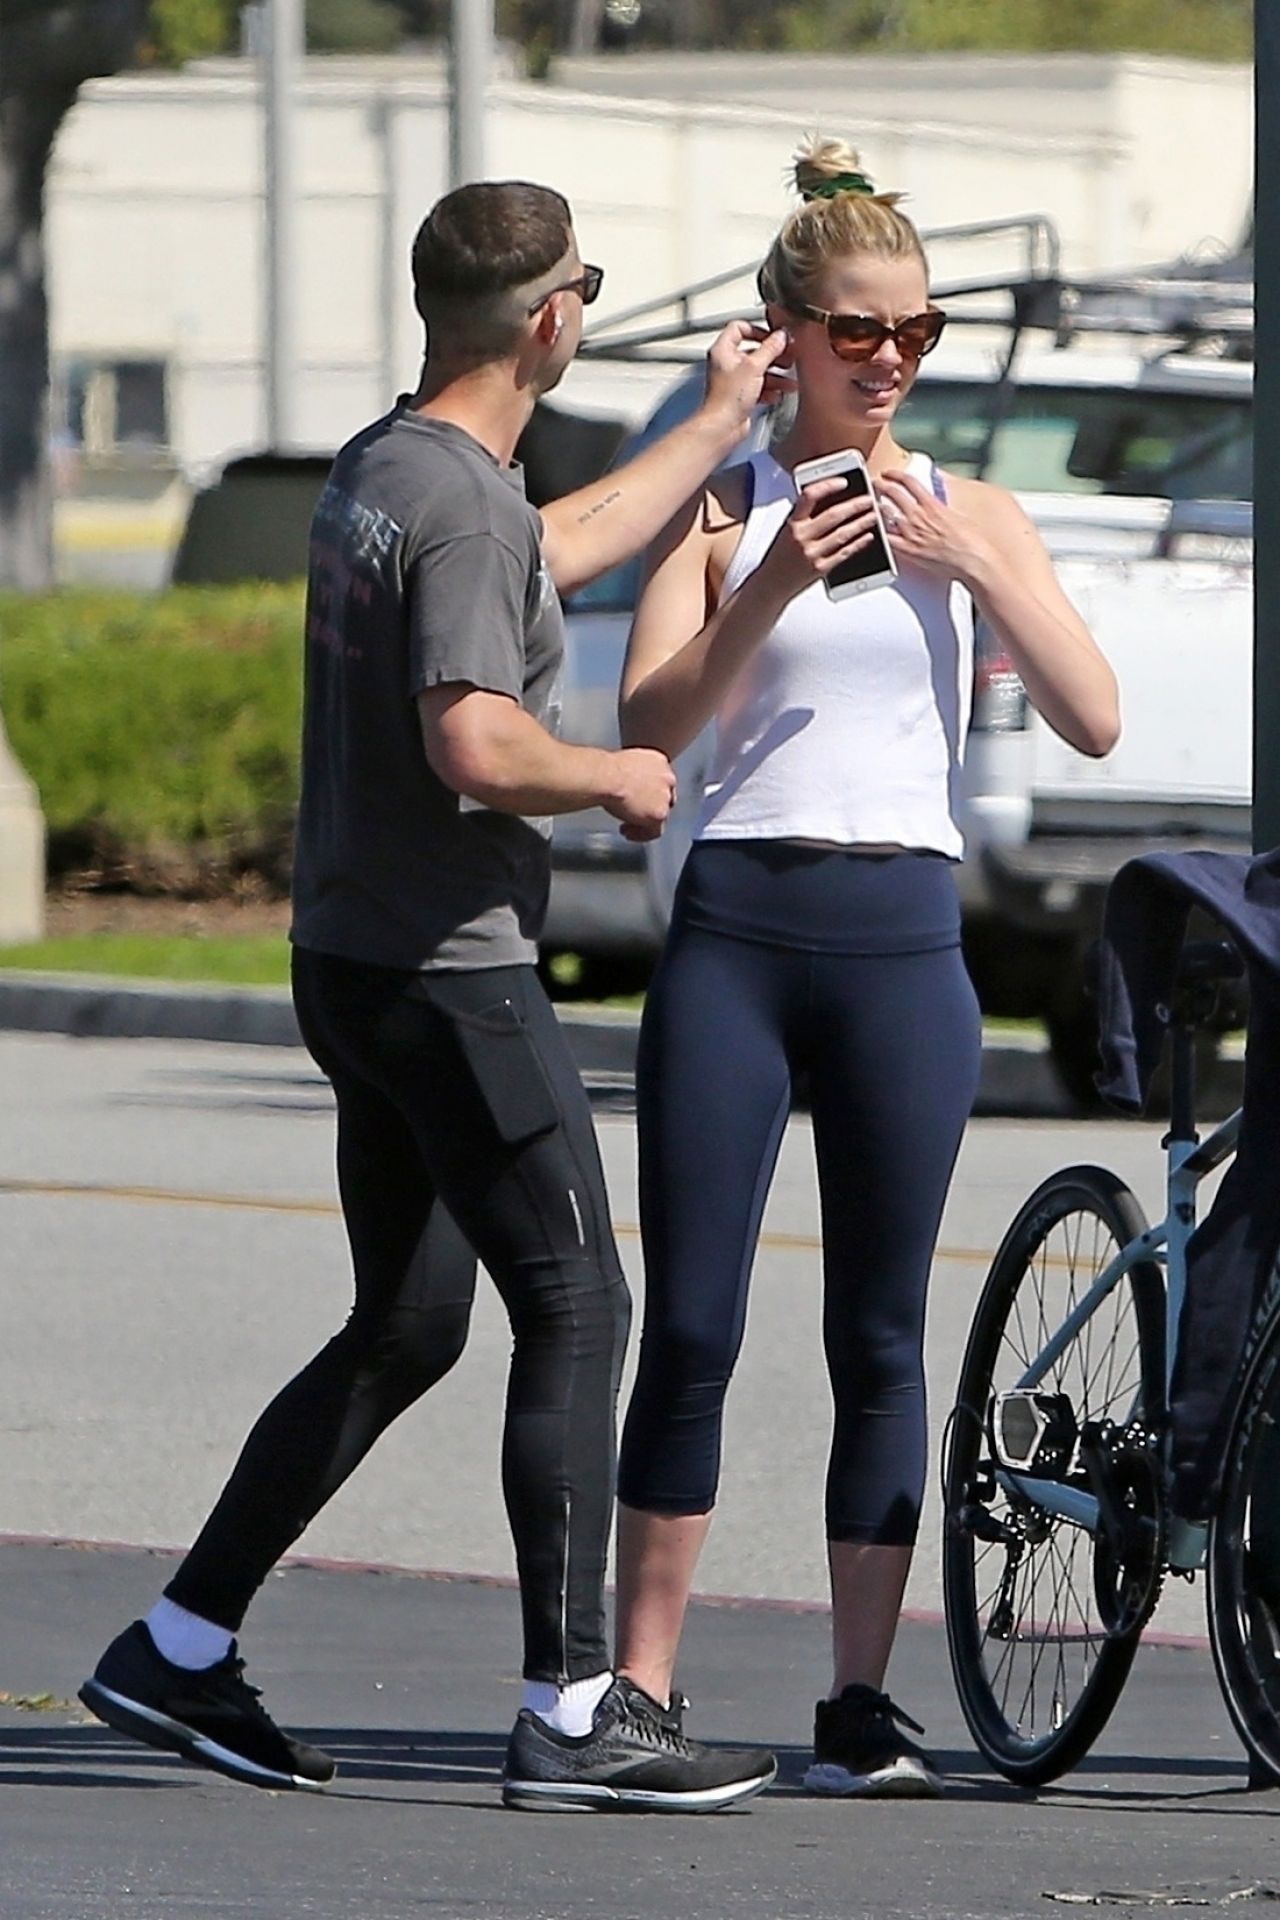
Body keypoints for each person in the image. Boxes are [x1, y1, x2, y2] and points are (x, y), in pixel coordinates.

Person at [80, 177, 786, 1814]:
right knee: (579, 1302)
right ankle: (572, 1702)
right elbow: (472, 736)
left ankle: (176, 1645)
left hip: (351, 956)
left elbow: (549, 548)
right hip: (448, 973)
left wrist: (714, 422)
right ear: (549, 320)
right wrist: (611, 771)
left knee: (407, 1323)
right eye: (587, 288)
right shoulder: (460, 507)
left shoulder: (392, 471)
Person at [611, 136, 1121, 1798]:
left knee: (882, 1338)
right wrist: (769, 578)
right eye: (855, 331)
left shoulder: (974, 512)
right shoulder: (718, 500)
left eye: (917, 332)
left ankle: (855, 1700)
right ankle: (642, 1690)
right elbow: (649, 725)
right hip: (739, 937)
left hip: (905, 939)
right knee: (690, 1325)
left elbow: (1095, 716)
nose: (887, 359)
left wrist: (971, 569)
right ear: (783, 333)